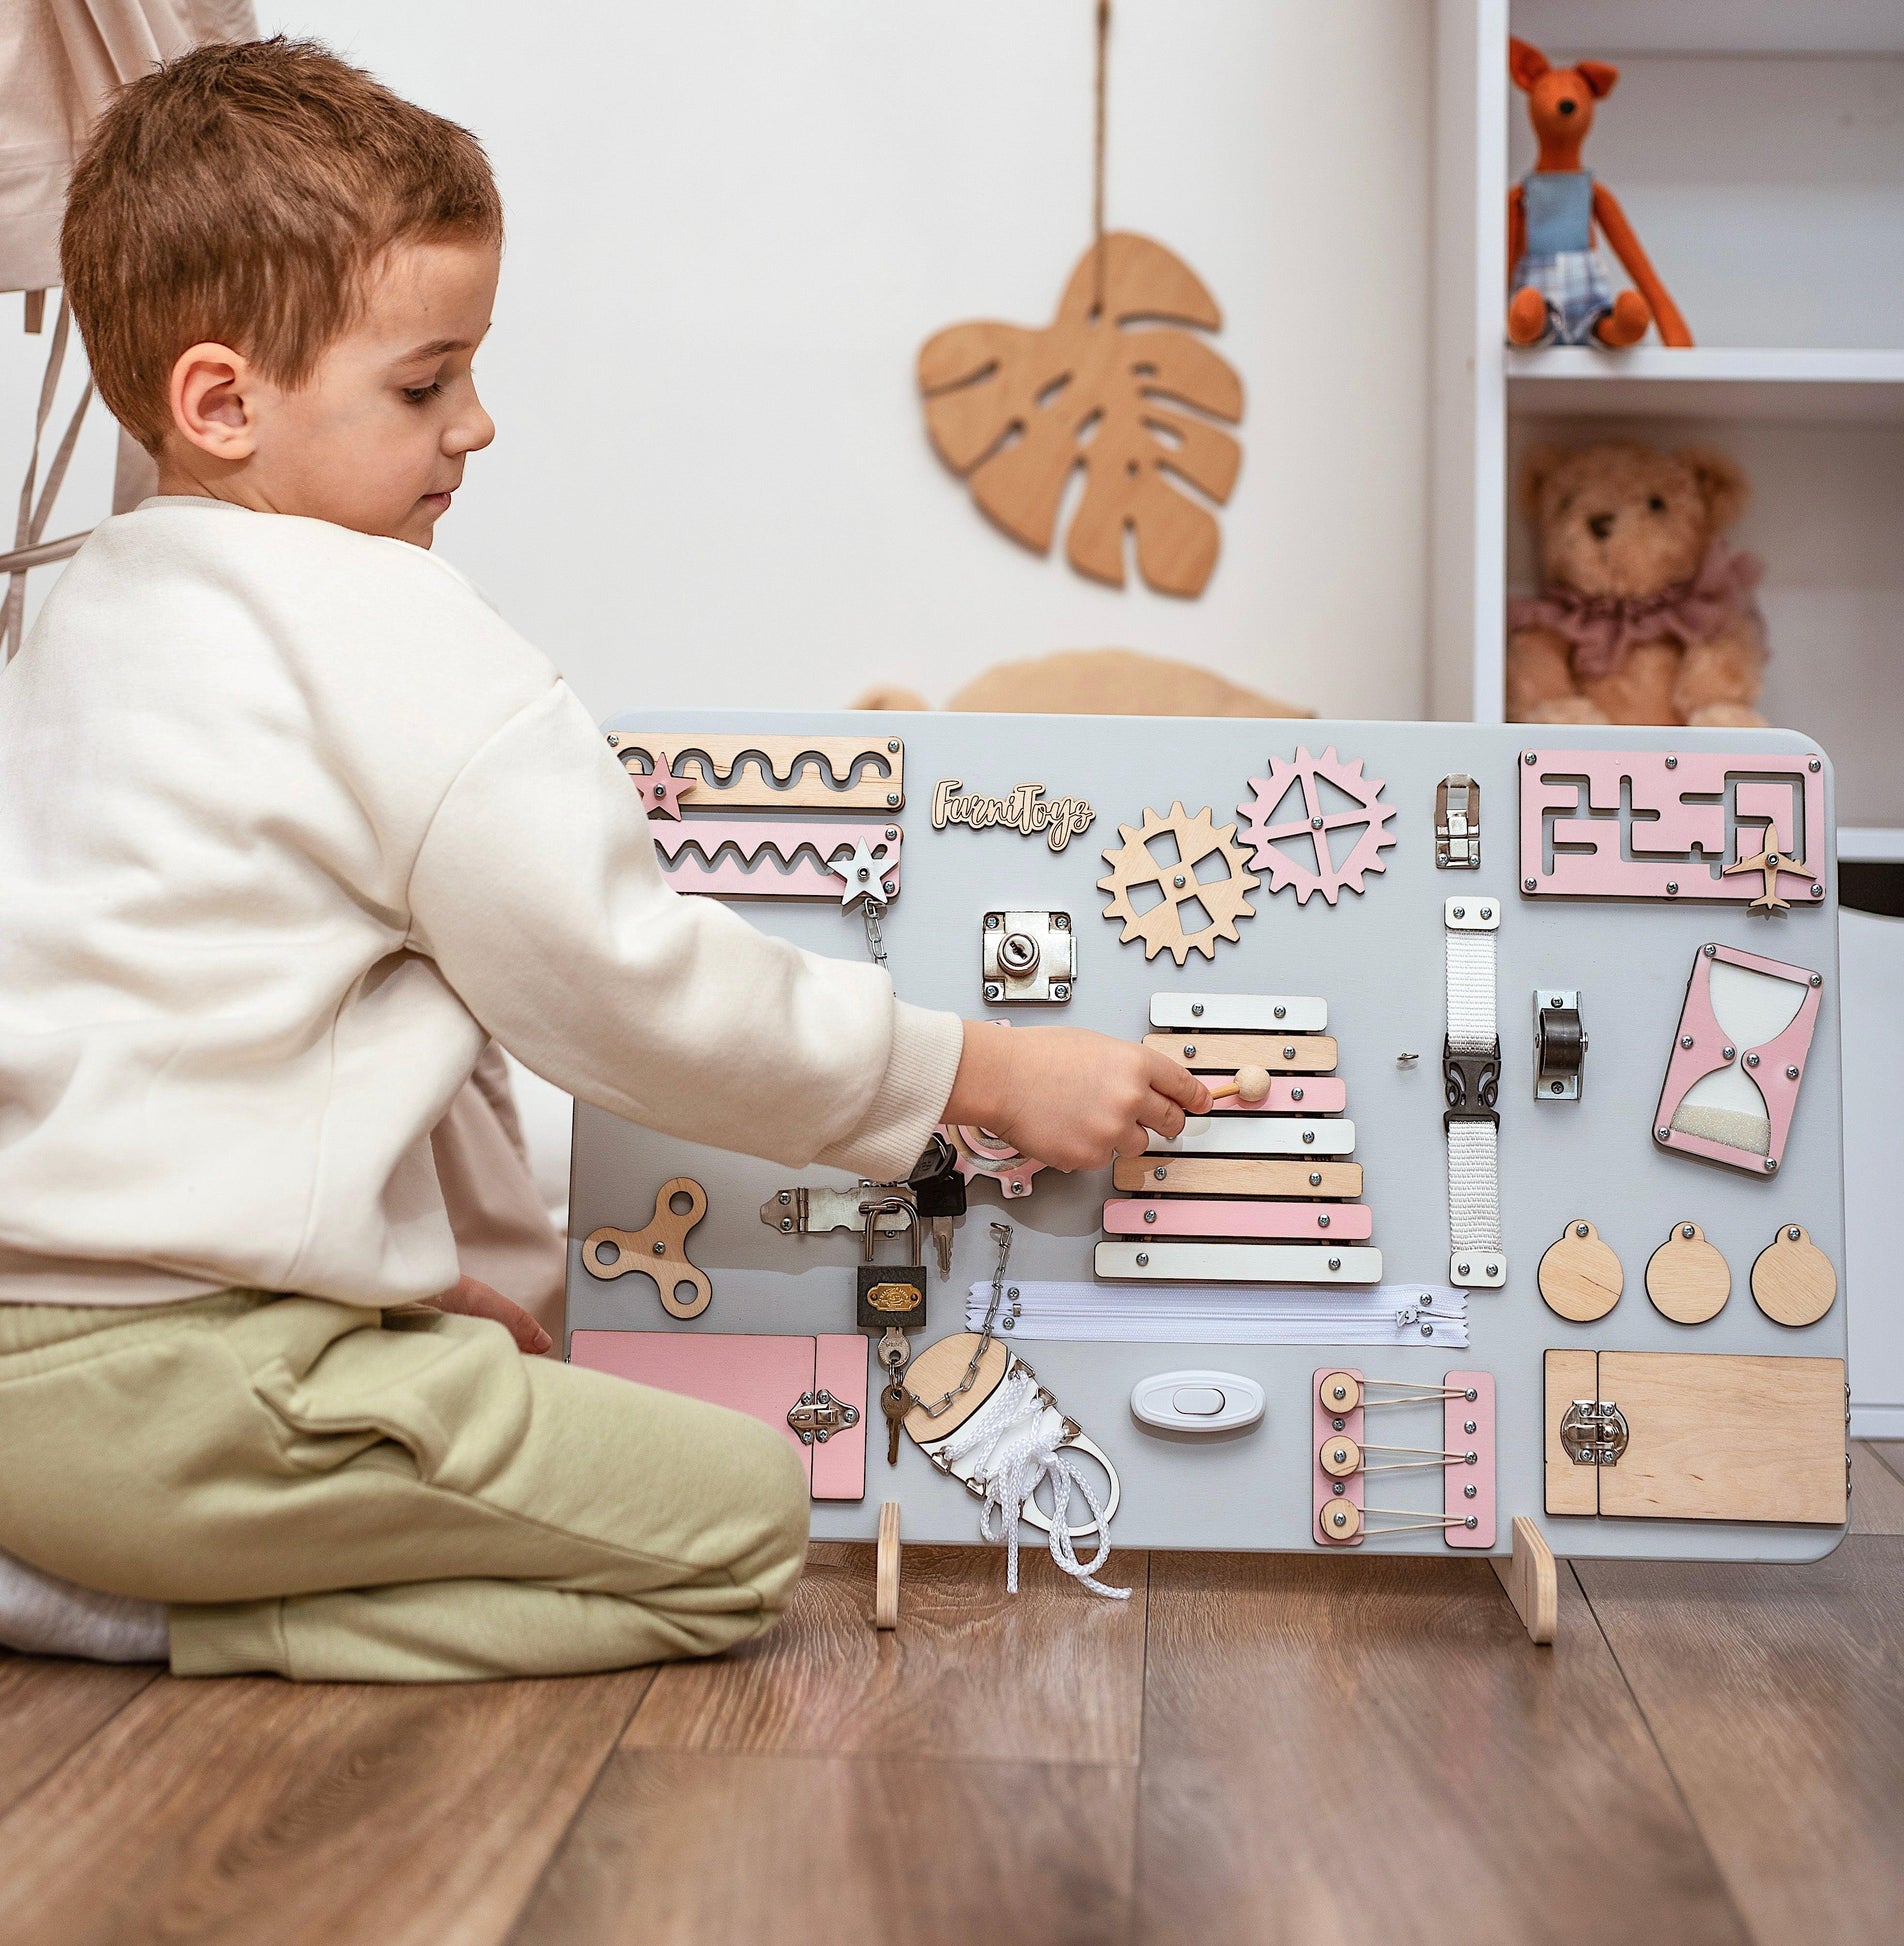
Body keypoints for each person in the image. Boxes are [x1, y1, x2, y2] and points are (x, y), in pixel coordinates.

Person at [0, 38, 1206, 1682]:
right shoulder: (382, 625)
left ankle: (117, 1561)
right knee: (738, 1525)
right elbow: (625, 984)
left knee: (499, 1401)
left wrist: (430, 1302)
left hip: (40, 1374)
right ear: (222, 404)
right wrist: (976, 1067)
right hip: (195, 1394)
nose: (476, 426)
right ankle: (131, 1612)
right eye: (424, 385)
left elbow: (243, 1048)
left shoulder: (82, 625)